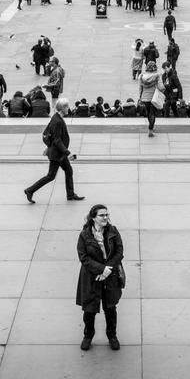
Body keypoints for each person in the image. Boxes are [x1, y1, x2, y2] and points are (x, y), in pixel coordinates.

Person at [76, 204, 124, 351]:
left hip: (110, 276)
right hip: (92, 278)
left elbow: (119, 251)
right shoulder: (85, 235)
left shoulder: (113, 231)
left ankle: (112, 336)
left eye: (106, 215)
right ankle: (88, 336)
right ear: (93, 218)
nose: (105, 218)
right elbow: (83, 258)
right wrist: (101, 269)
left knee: (110, 308)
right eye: (101, 215)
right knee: (89, 310)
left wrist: (108, 270)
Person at [24, 98, 85, 203]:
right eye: (67, 106)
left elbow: (50, 135)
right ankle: (30, 190)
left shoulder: (56, 117)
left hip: (59, 153)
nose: (68, 108)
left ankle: (70, 194)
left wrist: (49, 146)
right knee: (50, 176)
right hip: (57, 154)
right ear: (63, 108)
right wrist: (68, 152)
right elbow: (57, 140)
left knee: (68, 170)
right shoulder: (57, 121)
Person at [139, 61, 164, 137]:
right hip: (154, 97)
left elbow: (140, 88)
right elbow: (161, 87)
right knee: (153, 113)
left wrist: (140, 97)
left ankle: (151, 127)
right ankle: (151, 129)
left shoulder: (142, 76)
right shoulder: (157, 75)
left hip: (145, 97)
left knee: (148, 113)